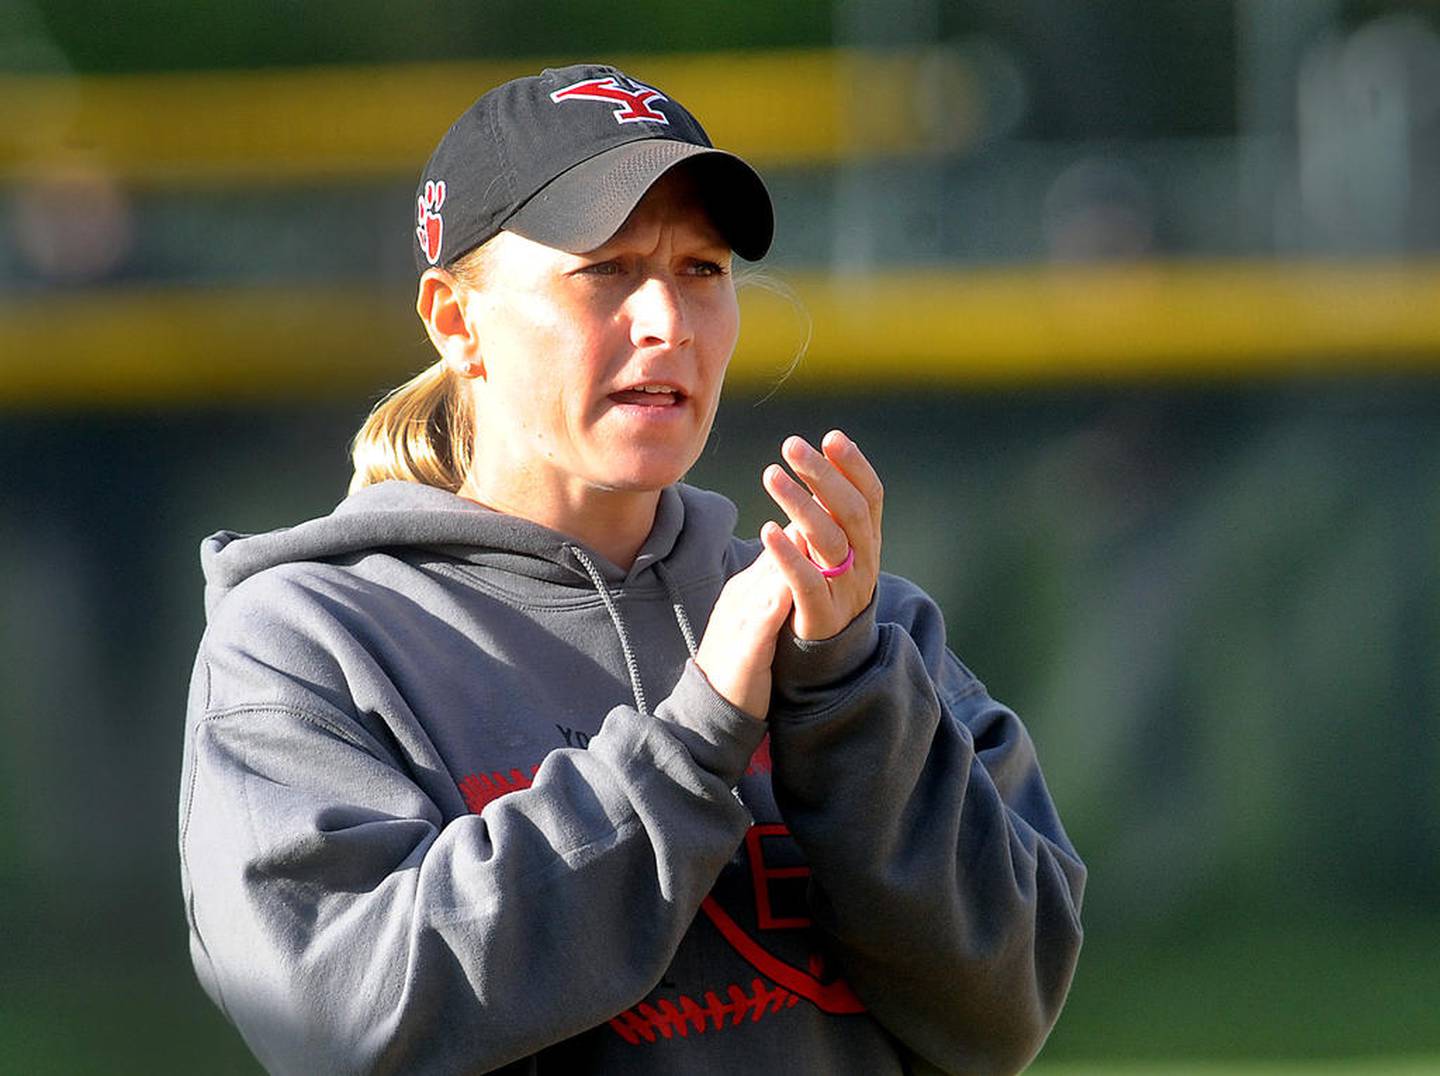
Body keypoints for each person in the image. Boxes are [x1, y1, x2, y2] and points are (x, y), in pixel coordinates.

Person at [178, 63, 1085, 1075]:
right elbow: (344, 1018)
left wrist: (846, 696)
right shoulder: (312, 640)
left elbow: (1003, 1011)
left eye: (702, 268)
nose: (668, 320)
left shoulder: (846, 631)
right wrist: (696, 740)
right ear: (454, 317)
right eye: (604, 268)